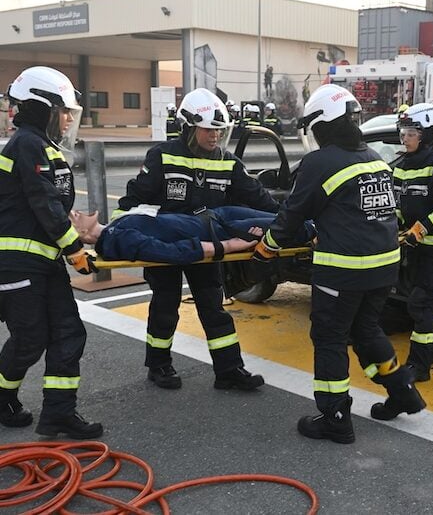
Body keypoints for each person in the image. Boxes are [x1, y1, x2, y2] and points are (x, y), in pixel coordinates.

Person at [252, 84, 426, 443]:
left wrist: (265, 250)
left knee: (329, 337)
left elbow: (291, 214)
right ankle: (402, 392)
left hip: (345, 270)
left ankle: (334, 417)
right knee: (366, 330)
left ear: (324, 125)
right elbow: (379, 212)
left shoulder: (320, 162)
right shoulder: (375, 159)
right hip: (384, 267)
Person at [114, 87, 281, 392]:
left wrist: (288, 219)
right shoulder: (162, 156)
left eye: (219, 130)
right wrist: (125, 232)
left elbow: (258, 198)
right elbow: (134, 200)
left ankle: (229, 370)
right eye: (207, 130)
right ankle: (159, 364)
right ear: (189, 127)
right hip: (169, 242)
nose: (214, 136)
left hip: (206, 243)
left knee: (213, 305)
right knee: (165, 302)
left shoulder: (228, 162)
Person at [0, 66, 102, 439]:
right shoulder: (27, 144)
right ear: (42, 108)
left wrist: (74, 226)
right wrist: (75, 251)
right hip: (17, 263)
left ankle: (59, 413)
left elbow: (50, 205)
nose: (66, 121)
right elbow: (43, 203)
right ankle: (3, 396)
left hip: (44, 261)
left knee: (68, 333)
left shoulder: (42, 148)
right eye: (63, 112)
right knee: (29, 339)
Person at [393, 103, 433, 382]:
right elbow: (397, 206)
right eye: (403, 132)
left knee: (420, 303)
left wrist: (416, 231)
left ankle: (419, 367)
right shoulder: (399, 166)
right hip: (414, 244)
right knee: (425, 300)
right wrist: (394, 229)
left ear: (427, 135)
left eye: (411, 133)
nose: (405, 138)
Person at [71, 206, 315, 265]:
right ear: (82, 233)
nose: (76, 211)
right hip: (220, 231)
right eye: (72, 217)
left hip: (217, 216)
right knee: (292, 226)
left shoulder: (116, 225)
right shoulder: (116, 240)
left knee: (284, 214)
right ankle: (323, 232)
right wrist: (229, 245)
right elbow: (170, 252)